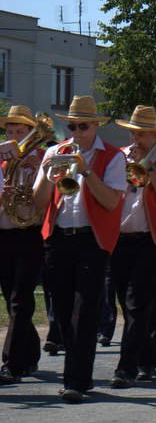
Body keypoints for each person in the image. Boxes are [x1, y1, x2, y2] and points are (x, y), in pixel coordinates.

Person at [32, 95, 127, 403]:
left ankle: (76, 379)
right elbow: (38, 204)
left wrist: (86, 170)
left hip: (91, 240)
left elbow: (112, 201)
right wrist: (48, 176)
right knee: (60, 312)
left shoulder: (112, 157)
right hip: (58, 239)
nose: (76, 132)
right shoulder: (54, 152)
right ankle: (76, 374)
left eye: (82, 126)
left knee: (83, 312)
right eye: (71, 126)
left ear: (95, 126)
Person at [109, 105, 156, 388]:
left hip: (152, 240)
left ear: (155, 134)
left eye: (143, 133)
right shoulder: (118, 157)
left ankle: (125, 368)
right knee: (132, 306)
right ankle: (150, 355)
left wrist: (151, 168)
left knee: (138, 304)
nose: (137, 138)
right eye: (134, 132)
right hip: (120, 238)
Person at [0, 105, 48, 384]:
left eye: (21, 132)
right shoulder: (2, 160)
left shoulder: (43, 158)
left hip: (30, 233)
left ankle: (11, 363)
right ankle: (29, 354)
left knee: (21, 299)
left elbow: (50, 198)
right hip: (4, 233)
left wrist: (36, 174)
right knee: (11, 299)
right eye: (10, 131)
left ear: (32, 133)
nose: (15, 137)